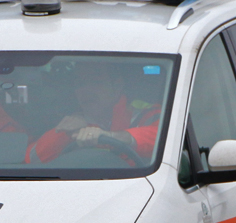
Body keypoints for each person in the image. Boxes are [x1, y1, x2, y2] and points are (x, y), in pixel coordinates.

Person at [28, 61, 162, 164]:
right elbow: (32, 160)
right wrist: (64, 134)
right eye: (79, 84)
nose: (85, 90)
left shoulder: (145, 113)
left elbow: (165, 140)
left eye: (95, 82)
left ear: (117, 86)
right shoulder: (73, 121)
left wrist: (111, 136)